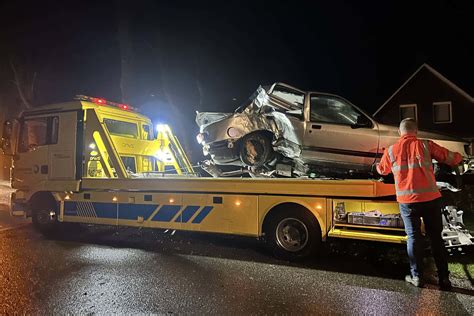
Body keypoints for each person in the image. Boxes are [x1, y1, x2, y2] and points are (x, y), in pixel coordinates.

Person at [376, 118, 463, 290]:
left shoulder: (392, 150)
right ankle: (444, 279)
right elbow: (451, 158)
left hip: (408, 203)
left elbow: (382, 170)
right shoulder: (426, 145)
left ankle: (416, 277)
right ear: (416, 131)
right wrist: (461, 157)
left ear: (400, 133)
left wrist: (380, 163)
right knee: (436, 239)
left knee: (414, 238)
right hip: (431, 199)